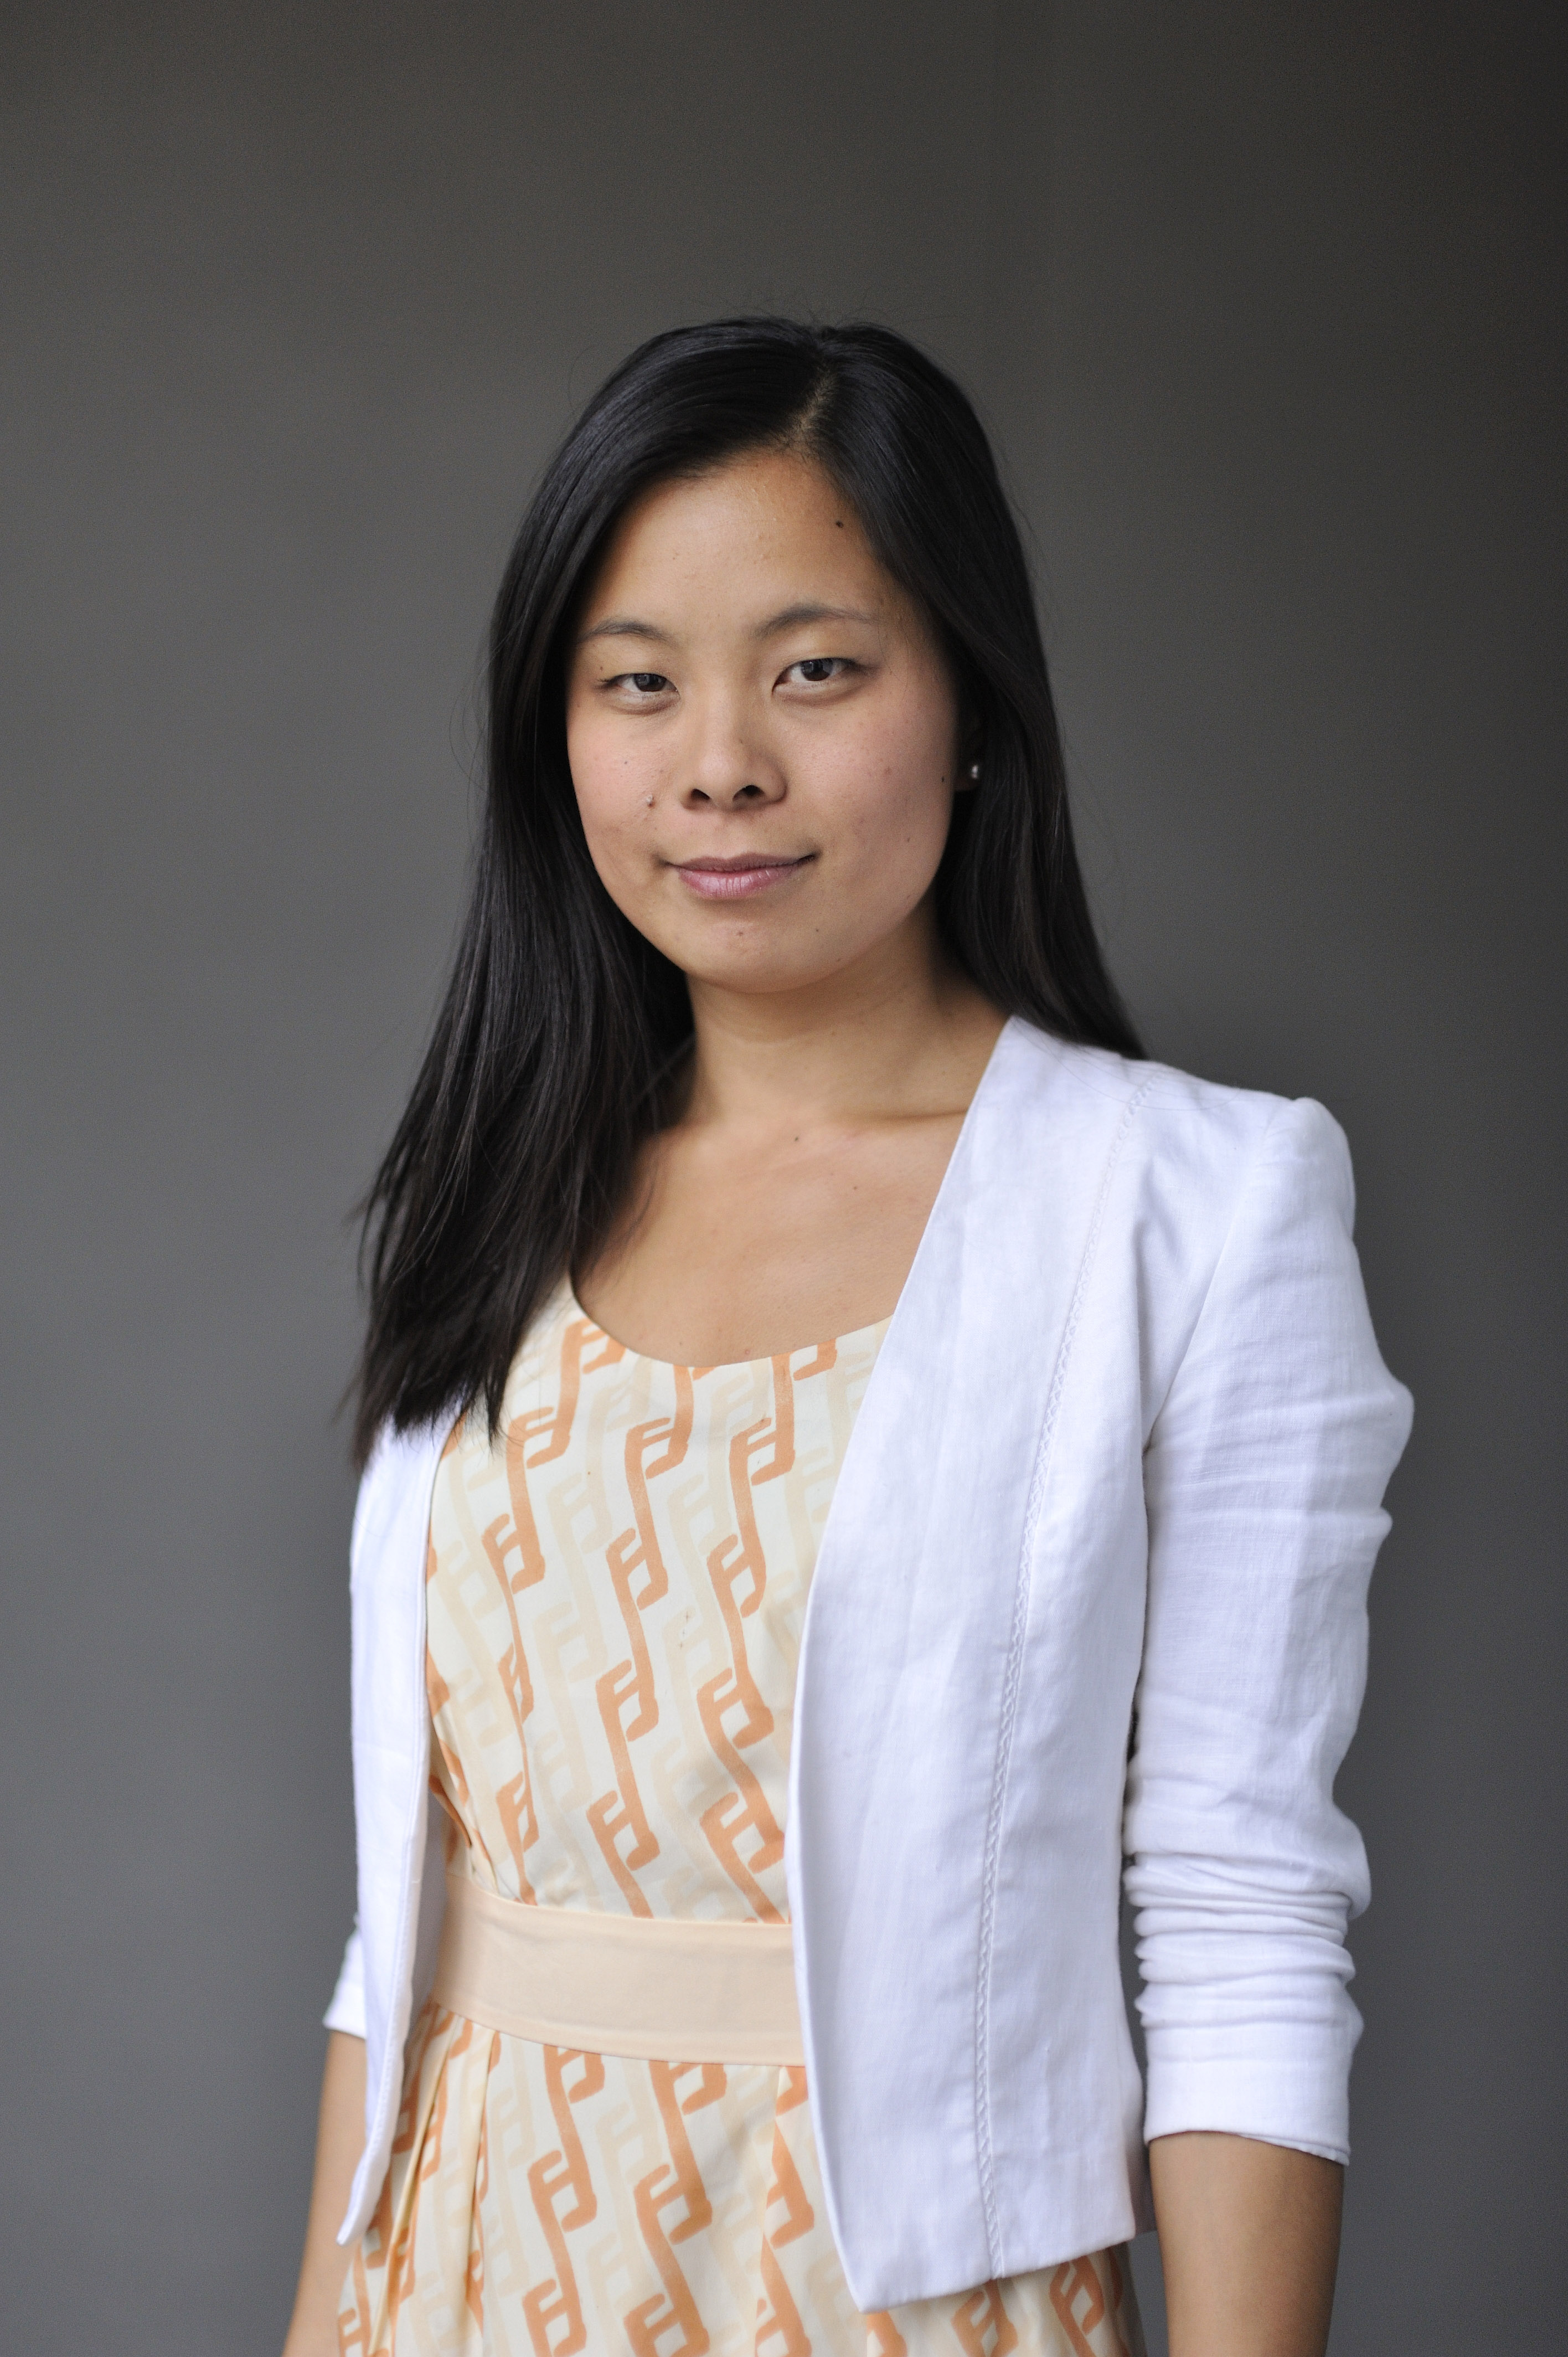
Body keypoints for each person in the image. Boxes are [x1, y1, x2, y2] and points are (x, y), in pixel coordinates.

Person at [282, 318, 1412, 2357]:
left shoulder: (1187, 1209)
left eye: (815, 669)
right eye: (638, 682)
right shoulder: (499, 1190)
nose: (720, 760)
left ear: (973, 701)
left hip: (896, 2303)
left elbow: (1239, 1922)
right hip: (453, 2281)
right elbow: (406, 1926)